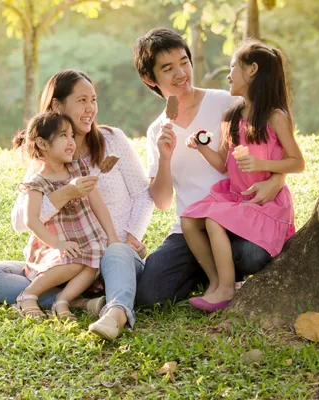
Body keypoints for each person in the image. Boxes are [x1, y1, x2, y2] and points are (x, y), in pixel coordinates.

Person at [0, 70, 153, 339]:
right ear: (58, 105)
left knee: (114, 252)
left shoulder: (112, 139)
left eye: (93, 100)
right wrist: (65, 194)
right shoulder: (47, 160)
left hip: (110, 253)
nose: (90, 109)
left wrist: (130, 238)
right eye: (82, 100)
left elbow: (143, 194)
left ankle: (115, 312)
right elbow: (20, 221)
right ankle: (78, 301)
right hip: (66, 259)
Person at [133, 28, 287, 307]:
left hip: (238, 215)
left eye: (184, 62)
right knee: (150, 295)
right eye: (168, 68)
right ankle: (211, 274)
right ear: (149, 78)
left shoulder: (229, 103)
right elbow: (164, 201)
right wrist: (165, 157)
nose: (181, 73)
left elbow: (277, 142)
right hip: (190, 228)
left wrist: (277, 179)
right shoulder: (157, 130)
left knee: (251, 255)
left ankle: (216, 273)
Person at [181, 39, 305, 312]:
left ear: (252, 71)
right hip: (237, 198)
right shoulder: (232, 115)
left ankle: (226, 289)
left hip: (266, 204)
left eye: (233, 66)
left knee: (213, 221)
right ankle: (217, 283)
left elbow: (298, 163)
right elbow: (224, 165)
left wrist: (261, 164)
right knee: (189, 221)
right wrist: (202, 148)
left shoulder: (275, 117)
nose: (228, 74)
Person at [13, 112, 120, 320]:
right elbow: (31, 220)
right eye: (64, 136)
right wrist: (58, 244)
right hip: (55, 244)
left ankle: (63, 300)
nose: (71, 142)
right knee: (75, 259)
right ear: (42, 144)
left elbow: (98, 204)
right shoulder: (37, 182)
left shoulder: (79, 169)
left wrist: (112, 236)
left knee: (94, 258)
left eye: (72, 136)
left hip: (87, 239)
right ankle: (28, 294)